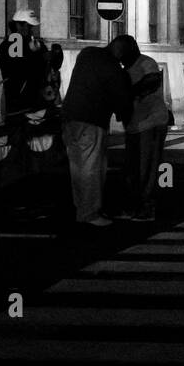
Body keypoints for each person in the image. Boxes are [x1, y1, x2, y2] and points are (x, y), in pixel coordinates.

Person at [62, 36, 134, 228]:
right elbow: (122, 101)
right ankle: (90, 213)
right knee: (92, 168)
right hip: (92, 121)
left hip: (70, 118)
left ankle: (81, 208)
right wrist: (127, 122)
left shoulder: (87, 53)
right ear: (120, 51)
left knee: (77, 167)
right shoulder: (113, 69)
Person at [113, 36, 171, 222]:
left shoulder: (147, 63)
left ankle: (147, 207)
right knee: (133, 166)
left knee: (147, 166)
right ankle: (133, 205)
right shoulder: (125, 69)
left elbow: (152, 80)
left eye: (121, 52)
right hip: (135, 125)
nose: (119, 57)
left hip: (151, 122)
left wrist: (127, 94)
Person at [0, 9, 51, 120]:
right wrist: (35, 55)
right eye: (29, 26)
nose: (31, 30)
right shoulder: (14, 43)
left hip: (33, 102)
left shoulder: (29, 42)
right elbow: (18, 69)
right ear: (18, 25)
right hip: (20, 103)